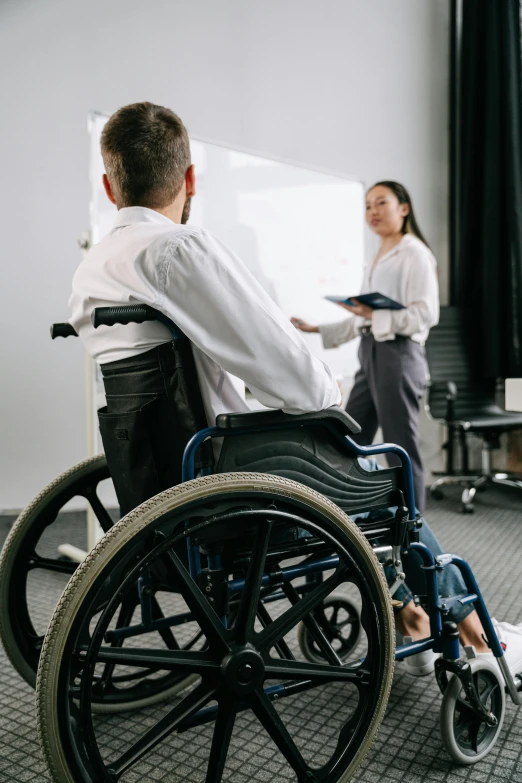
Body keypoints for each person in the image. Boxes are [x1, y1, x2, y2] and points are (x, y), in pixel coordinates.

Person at [70, 103, 522, 681]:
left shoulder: (93, 269)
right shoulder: (177, 250)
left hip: (157, 473)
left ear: (110, 187)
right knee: (387, 478)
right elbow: (292, 373)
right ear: (188, 179)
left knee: (364, 460)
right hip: (227, 473)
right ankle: (467, 628)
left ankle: (409, 609)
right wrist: (320, 387)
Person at [292, 181, 439, 514]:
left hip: (399, 355)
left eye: (381, 203)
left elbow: (426, 314)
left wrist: (375, 313)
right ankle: (349, 520)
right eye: (368, 205)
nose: (372, 212)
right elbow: (365, 319)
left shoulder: (415, 253)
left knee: (400, 446)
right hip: (371, 354)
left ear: (404, 208)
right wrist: (316, 328)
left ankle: (413, 531)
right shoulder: (377, 257)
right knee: (349, 438)